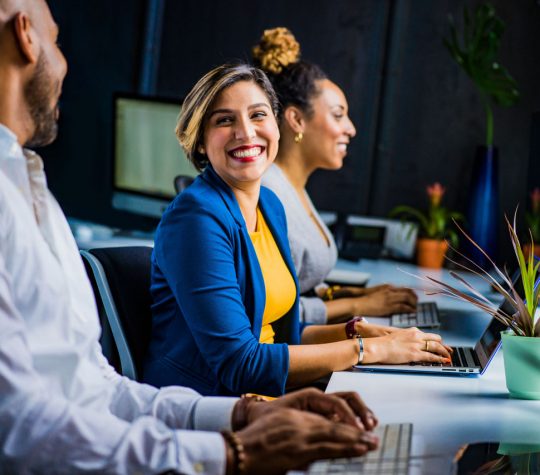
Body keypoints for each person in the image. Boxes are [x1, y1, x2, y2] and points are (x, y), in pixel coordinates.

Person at [0, 1, 380, 473]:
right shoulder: (195, 216)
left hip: (203, 420)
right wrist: (233, 449)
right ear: (25, 35)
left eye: (259, 115)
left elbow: (96, 387)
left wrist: (247, 416)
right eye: (57, 40)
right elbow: (19, 427)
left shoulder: (30, 188)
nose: (65, 62)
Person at [144, 62, 452, 398]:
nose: (246, 132)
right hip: (209, 407)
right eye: (224, 120)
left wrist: (360, 333)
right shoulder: (195, 218)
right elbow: (240, 364)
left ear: (277, 126)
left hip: (265, 397)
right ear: (201, 141)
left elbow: (282, 336)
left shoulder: (270, 206)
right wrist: (368, 351)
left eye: (258, 115)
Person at [255, 27, 420, 326]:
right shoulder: (269, 194)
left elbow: (298, 285)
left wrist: (353, 293)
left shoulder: (293, 188)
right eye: (338, 114)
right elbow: (272, 313)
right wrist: (358, 304)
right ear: (296, 119)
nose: (351, 129)